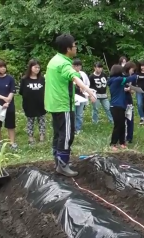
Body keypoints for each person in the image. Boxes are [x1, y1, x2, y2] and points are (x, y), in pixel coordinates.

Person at [45, 33, 96, 177]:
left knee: (58, 134)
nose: (76, 48)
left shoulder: (54, 60)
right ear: (68, 48)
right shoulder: (64, 63)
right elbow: (74, 76)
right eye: (74, 46)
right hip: (63, 105)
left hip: (54, 104)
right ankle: (63, 164)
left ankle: (58, 162)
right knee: (67, 135)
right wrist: (89, 92)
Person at [108, 64, 138, 151]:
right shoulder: (118, 80)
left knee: (122, 125)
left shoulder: (114, 80)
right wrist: (139, 75)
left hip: (120, 105)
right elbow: (130, 78)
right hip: (116, 105)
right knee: (118, 125)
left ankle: (122, 142)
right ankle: (113, 143)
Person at [0, 59, 17, 149]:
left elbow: (12, 90)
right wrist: (3, 98)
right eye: (1, 67)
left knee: (11, 125)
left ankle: (12, 143)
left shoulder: (10, 78)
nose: (3, 69)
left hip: (9, 105)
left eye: (4, 67)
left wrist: (8, 100)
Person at [19, 59, 46, 145]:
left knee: (42, 120)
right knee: (30, 121)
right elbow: (21, 92)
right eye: (35, 67)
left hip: (41, 104)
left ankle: (42, 136)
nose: (37, 69)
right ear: (30, 68)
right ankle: (30, 137)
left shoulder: (42, 79)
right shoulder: (24, 79)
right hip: (29, 104)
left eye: (38, 67)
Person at [72, 58, 90, 134]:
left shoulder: (82, 74)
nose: (78, 67)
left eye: (79, 66)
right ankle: (73, 128)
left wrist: (84, 88)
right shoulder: (70, 74)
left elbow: (87, 83)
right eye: (76, 66)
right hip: (73, 96)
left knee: (79, 114)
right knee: (73, 113)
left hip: (82, 96)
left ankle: (78, 128)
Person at [123, 61, 138, 143]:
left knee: (130, 119)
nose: (132, 71)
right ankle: (123, 136)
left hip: (129, 100)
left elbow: (133, 91)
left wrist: (130, 90)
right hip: (122, 100)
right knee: (123, 119)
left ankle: (129, 137)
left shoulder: (132, 78)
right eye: (132, 69)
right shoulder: (122, 76)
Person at [136, 60, 144, 125]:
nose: (143, 67)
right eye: (142, 66)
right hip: (138, 90)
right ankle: (142, 117)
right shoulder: (137, 73)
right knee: (139, 103)